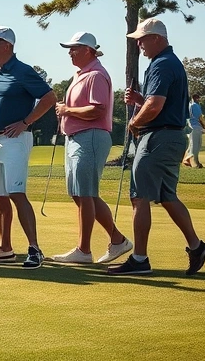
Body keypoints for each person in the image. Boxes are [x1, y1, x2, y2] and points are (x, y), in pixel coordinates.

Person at [108, 18, 205, 276]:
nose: (139, 44)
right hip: (172, 137)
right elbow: (158, 103)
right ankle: (197, 247)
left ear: (157, 38)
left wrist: (134, 121)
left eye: (143, 39)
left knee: (139, 196)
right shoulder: (168, 62)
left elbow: (155, 107)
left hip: (158, 138)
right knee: (167, 196)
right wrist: (139, 100)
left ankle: (140, 259)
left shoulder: (161, 64)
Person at [0, 26, 56, 269]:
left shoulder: (23, 71)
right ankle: (5, 249)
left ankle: (34, 249)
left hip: (15, 141)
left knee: (17, 194)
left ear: (7, 46)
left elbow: (49, 98)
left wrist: (26, 122)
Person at [51, 32, 132, 264]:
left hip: (91, 137)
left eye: (74, 48)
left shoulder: (95, 75)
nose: (70, 52)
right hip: (76, 138)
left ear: (88, 50)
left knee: (85, 194)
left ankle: (84, 250)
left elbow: (97, 110)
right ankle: (117, 240)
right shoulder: (81, 75)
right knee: (80, 193)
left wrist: (67, 110)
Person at [184, 94, 205, 168]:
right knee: (195, 145)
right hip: (195, 127)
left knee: (192, 144)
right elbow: (200, 117)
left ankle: (188, 160)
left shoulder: (189, 105)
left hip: (190, 127)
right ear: (196, 98)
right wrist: (204, 125)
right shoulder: (195, 105)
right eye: (198, 98)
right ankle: (194, 162)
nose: (199, 100)